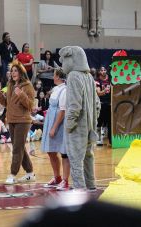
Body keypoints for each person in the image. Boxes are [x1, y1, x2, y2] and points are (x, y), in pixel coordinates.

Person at [59, 46, 100, 191]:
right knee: (89, 156)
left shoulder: (73, 76)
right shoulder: (89, 76)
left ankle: (79, 189)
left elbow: (74, 105)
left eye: (64, 60)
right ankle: (91, 184)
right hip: (90, 126)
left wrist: (70, 124)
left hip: (78, 127)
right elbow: (97, 104)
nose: (62, 64)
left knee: (76, 159)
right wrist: (93, 121)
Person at [0, 60, 36, 185]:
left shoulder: (27, 85)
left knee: (17, 148)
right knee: (20, 147)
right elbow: (7, 104)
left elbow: (30, 105)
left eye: (15, 71)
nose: (13, 73)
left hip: (23, 121)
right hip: (11, 120)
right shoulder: (10, 85)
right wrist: (0, 96)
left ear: (21, 72)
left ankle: (13, 174)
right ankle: (30, 173)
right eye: (11, 71)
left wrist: (22, 95)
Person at [40, 68, 70, 190]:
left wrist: (54, 127)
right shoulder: (56, 89)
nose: (53, 77)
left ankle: (65, 180)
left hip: (59, 124)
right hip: (50, 121)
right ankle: (57, 177)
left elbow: (62, 111)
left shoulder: (65, 90)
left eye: (54, 75)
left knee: (64, 152)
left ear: (58, 76)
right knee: (50, 150)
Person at [95, 66, 111, 146]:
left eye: (105, 70)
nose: (103, 71)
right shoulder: (97, 81)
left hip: (109, 103)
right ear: (99, 72)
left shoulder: (110, 80)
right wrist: (105, 90)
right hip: (100, 104)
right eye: (101, 70)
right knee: (99, 121)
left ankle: (109, 139)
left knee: (109, 121)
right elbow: (98, 93)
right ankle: (98, 139)